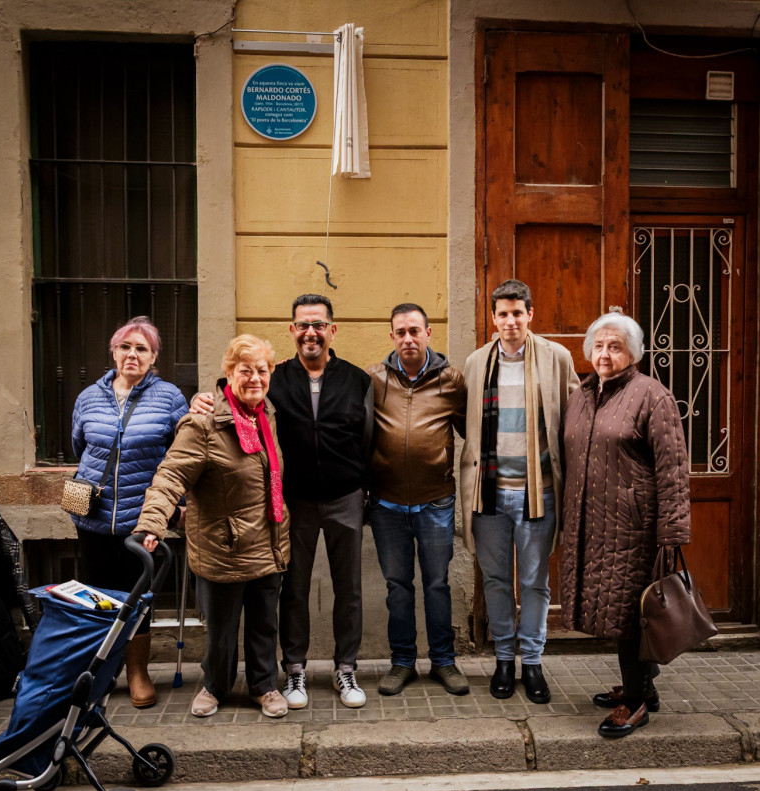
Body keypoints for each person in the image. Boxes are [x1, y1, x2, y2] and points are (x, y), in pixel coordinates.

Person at [189, 295, 373, 710]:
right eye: (303, 325)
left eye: (320, 325)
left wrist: (364, 490)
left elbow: (368, 440)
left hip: (345, 498)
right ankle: (294, 670)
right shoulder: (275, 378)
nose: (311, 332)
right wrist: (203, 399)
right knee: (294, 589)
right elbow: (237, 402)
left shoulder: (357, 380)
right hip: (294, 502)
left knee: (350, 590)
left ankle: (346, 667)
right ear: (292, 330)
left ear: (332, 330)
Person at [133, 334, 292, 719]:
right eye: (245, 370)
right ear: (228, 373)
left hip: (268, 540)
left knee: (264, 625)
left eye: (262, 370)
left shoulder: (266, 414)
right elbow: (170, 476)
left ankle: (264, 686)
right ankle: (214, 686)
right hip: (223, 546)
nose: (255, 378)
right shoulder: (203, 424)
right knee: (220, 631)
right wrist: (152, 521)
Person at [559, 312, 691, 738]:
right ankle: (643, 687)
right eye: (598, 345)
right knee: (619, 611)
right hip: (592, 525)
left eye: (615, 346)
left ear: (632, 353)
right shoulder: (582, 395)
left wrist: (671, 533)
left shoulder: (652, 396)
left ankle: (634, 704)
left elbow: (673, 469)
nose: (605, 354)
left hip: (634, 528)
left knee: (630, 615)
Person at [459, 280, 580, 704]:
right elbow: (465, 421)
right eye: (502, 314)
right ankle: (504, 661)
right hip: (489, 495)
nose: (510, 321)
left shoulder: (556, 358)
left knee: (533, 581)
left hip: (538, 493)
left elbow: (576, 417)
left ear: (531, 314)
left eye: (517, 313)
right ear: (492, 318)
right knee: (494, 580)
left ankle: (532, 662)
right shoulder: (476, 363)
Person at [68, 315, 188, 709]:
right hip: (93, 518)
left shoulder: (169, 397)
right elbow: (79, 447)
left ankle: (137, 672)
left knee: (138, 599)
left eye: (141, 349)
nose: (132, 355)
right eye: (125, 347)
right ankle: (101, 673)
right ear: (113, 352)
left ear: (154, 357)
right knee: (99, 597)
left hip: (142, 519)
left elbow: (181, 456)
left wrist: (177, 507)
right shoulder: (88, 397)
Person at [367, 303, 468, 696]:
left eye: (415, 330)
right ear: (392, 337)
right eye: (400, 332)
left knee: (437, 583)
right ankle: (402, 662)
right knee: (397, 585)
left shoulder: (452, 381)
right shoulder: (374, 379)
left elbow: (473, 431)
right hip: (387, 504)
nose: (408, 338)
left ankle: (444, 662)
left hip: (435, 501)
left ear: (428, 333)